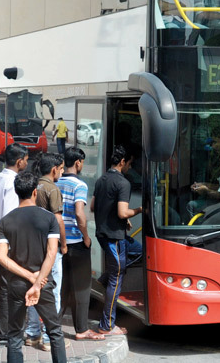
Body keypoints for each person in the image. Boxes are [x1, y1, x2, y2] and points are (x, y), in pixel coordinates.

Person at [0, 172, 67, 363]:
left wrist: (28, 277)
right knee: (54, 331)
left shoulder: (6, 221)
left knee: (15, 334)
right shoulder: (49, 219)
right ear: (35, 192)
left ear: (17, 192)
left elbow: (1, 257)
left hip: (17, 284)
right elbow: (52, 253)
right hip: (43, 283)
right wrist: (36, 282)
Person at [91, 145, 142, 336]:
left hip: (105, 235)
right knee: (116, 279)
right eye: (129, 163)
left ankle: (104, 278)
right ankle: (106, 325)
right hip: (114, 238)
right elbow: (122, 212)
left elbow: (94, 206)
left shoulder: (101, 179)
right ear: (122, 162)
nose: (129, 167)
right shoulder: (123, 183)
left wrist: (122, 218)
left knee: (138, 250)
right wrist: (138, 211)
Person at [0, 143, 30, 347]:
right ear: (19, 160)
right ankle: (2, 334)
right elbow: (11, 217)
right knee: (5, 287)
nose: (27, 163)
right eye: (26, 159)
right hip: (6, 242)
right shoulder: (13, 182)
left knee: (0, 286)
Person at [58, 147, 104, 341]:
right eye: (82, 162)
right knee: (82, 288)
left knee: (62, 287)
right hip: (76, 242)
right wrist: (86, 237)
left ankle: (52, 328)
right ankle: (81, 329)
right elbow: (79, 213)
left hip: (58, 242)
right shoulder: (79, 185)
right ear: (77, 163)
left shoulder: (55, 182)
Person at [25, 153, 68, 351]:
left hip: (33, 246)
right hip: (51, 248)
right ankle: (50, 337)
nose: (62, 172)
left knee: (35, 288)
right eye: (61, 168)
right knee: (53, 292)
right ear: (54, 169)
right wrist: (64, 244)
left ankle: (33, 334)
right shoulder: (52, 189)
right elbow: (59, 220)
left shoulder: (34, 187)